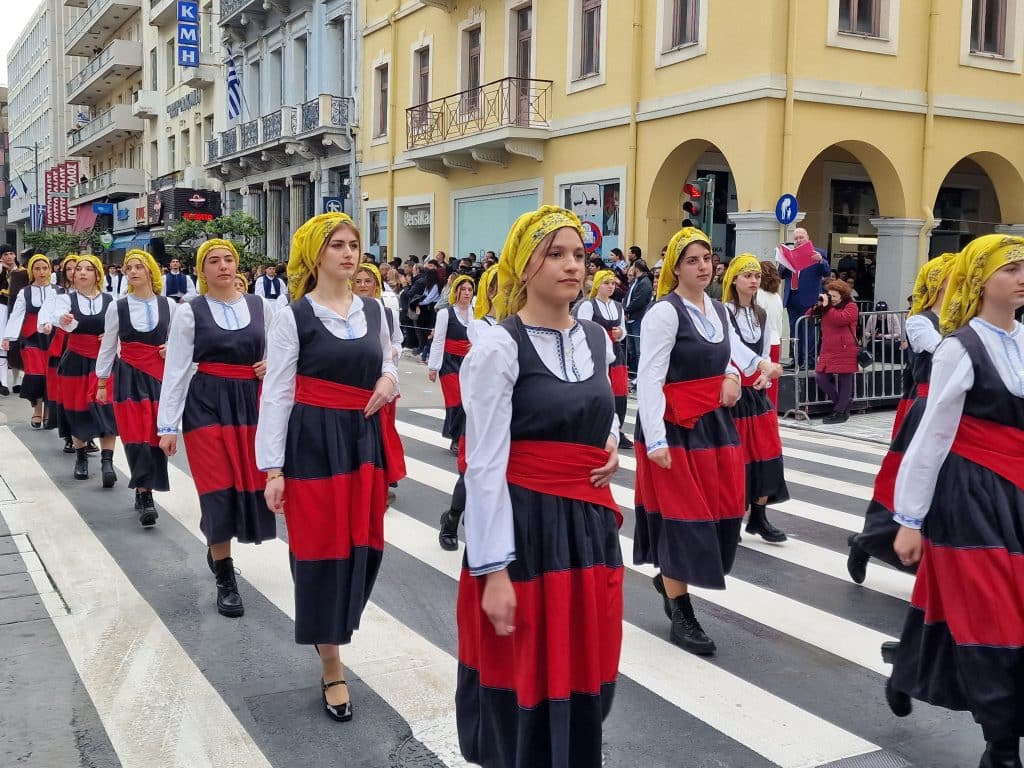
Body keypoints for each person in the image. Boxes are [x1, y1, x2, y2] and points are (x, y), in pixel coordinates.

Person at [456, 206, 622, 767]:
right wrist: (494, 571)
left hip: (587, 531)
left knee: (582, 673)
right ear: (524, 267)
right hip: (527, 529)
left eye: (577, 254)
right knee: (525, 674)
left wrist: (611, 446)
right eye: (555, 254)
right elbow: (483, 466)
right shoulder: (499, 348)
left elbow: (606, 409)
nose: (571, 265)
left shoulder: (598, 338)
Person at [886, 235, 1024, 768]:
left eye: (1022, 267)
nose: (1019, 275)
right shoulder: (957, 348)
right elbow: (933, 437)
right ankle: (1002, 747)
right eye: (1008, 268)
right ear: (981, 280)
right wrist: (910, 518)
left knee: (968, 606)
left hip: (1016, 494)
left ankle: (907, 668)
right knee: (997, 617)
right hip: (972, 496)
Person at [256, 213, 400, 723]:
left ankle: (338, 630)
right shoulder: (292, 316)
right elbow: (277, 391)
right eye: (336, 245)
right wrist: (273, 469)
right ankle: (332, 664)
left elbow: (388, 361)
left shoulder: (377, 311)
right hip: (312, 443)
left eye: (354, 244)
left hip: (362, 443)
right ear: (316, 255)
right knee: (320, 553)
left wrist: (388, 381)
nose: (348, 252)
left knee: (365, 546)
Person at [634, 227, 779, 656]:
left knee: (721, 514)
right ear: (676, 267)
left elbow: (735, 354)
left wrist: (746, 372)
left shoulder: (718, 310)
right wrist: (656, 439)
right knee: (683, 517)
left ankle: (671, 581)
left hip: (714, 427)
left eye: (707, 259)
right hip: (674, 428)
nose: (703, 266)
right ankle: (681, 611)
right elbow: (650, 377)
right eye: (692, 260)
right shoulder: (665, 312)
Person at [157, 239, 278, 619]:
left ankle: (216, 540)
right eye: (214, 260)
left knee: (249, 486)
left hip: (250, 404)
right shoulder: (189, 312)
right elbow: (176, 369)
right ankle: (226, 576)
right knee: (217, 490)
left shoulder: (263, 306)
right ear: (202, 270)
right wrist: (168, 425)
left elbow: (282, 352)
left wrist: (269, 365)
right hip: (206, 404)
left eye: (229, 259)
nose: (223, 265)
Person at [846, 254, 955, 584]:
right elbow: (946, 353)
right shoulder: (919, 321)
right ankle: (866, 541)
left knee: (944, 492)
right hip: (924, 408)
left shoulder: (962, 319)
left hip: (952, 409)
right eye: (955, 278)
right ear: (938, 283)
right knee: (904, 485)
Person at [95, 250, 175, 527]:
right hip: (128, 376)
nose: (133, 271)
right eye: (129, 267)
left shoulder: (169, 306)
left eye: (139, 266)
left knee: (155, 437)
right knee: (135, 436)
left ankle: (145, 489)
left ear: (151, 270)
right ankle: (146, 494)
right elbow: (108, 346)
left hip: (159, 379)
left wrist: (171, 349)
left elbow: (182, 343)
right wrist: (102, 381)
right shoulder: (118, 307)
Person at [721, 255, 789, 542]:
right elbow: (730, 349)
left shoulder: (761, 313)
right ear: (734, 280)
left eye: (756, 276)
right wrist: (761, 367)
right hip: (733, 393)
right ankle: (732, 517)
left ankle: (759, 516)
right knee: (736, 459)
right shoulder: (724, 311)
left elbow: (763, 350)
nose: (753, 280)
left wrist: (765, 371)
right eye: (747, 275)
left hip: (756, 392)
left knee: (767, 454)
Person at [438, 265, 500, 551]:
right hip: (483, 413)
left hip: (514, 415)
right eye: (500, 287)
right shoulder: (478, 326)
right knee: (472, 474)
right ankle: (452, 518)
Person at [51, 255, 118, 484]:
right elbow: (60, 320)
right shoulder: (66, 300)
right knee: (76, 409)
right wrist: (65, 319)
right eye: (78, 269)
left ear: (97, 274)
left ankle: (107, 461)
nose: (82, 272)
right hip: (76, 360)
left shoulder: (111, 300)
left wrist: (111, 337)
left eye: (89, 269)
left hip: (103, 361)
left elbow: (120, 329)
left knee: (107, 408)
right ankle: (81, 457)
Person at [353, 262, 407, 504]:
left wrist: (390, 353)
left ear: (376, 284)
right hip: (357, 383)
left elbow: (397, 342)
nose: (363, 286)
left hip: (383, 383)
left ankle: (382, 484)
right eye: (359, 281)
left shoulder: (386, 312)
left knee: (383, 435)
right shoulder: (347, 310)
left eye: (368, 281)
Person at [577, 269, 632, 448]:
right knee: (598, 389)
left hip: (615, 353)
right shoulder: (589, 305)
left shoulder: (617, 306)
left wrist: (620, 333)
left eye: (613, 284)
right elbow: (583, 329)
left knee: (619, 391)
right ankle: (594, 426)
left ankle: (618, 428)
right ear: (598, 285)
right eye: (606, 283)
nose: (611, 287)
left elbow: (623, 330)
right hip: (596, 351)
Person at [3, 253, 54, 428]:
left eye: (45, 268)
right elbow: (16, 314)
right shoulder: (25, 292)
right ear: (31, 271)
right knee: (34, 375)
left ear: (50, 269)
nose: (41, 272)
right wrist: (8, 337)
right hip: (31, 338)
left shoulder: (58, 291)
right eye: (37, 268)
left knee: (51, 376)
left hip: (53, 339)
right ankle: (36, 410)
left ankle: (48, 412)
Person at [428, 274, 474, 454]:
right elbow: (438, 341)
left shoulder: (476, 313)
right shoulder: (445, 313)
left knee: (468, 402)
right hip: (449, 362)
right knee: (456, 400)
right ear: (456, 291)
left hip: (469, 363)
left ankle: (462, 436)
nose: (467, 293)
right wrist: (433, 367)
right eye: (463, 289)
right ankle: (456, 438)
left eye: (470, 290)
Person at [806, 279, 859, 424]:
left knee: (844, 380)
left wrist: (828, 307)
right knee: (820, 377)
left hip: (845, 348)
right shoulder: (827, 306)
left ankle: (840, 411)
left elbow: (839, 319)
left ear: (843, 295)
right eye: (830, 295)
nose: (832, 299)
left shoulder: (851, 306)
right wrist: (818, 305)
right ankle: (841, 405)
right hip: (828, 349)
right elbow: (808, 314)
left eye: (835, 296)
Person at [41, 255, 80, 446]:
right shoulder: (57, 293)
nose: (74, 272)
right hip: (63, 343)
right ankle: (69, 435)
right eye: (70, 268)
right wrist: (47, 323)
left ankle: (86, 434)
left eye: (78, 268)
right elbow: (46, 313)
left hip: (87, 345)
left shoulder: (94, 294)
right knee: (65, 389)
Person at [780, 228, 831, 369]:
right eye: (796, 238)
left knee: (808, 331)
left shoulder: (817, 253)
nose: (798, 241)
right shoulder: (790, 254)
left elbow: (827, 271)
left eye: (801, 237)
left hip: (809, 298)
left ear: (807, 238)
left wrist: (820, 261)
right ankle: (796, 359)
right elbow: (781, 275)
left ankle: (809, 361)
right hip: (792, 297)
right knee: (794, 329)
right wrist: (783, 263)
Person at [757, 260, 786, 409]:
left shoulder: (759, 295)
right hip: (776, 341)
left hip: (763, 343)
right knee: (772, 386)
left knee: (762, 384)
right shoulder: (776, 297)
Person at [624, 259, 654, 382]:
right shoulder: (636, 281)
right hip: (631, 318)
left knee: (638, 348)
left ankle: (639, 374)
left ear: (636, 269)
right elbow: (629, 297)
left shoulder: (645, 282)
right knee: (631, 348)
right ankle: (633, 373)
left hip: (638, 318)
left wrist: (627, 310)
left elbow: (639, 300)